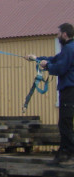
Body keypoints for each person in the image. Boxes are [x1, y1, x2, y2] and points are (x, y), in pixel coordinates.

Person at [28, 23, 74, 164]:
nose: (57, 36)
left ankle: (69, 152)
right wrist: (36, 59)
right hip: (69, 90)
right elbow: (54, 59)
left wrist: (46, 66)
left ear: (64, 34)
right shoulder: (69, 49)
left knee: (64, 123)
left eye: (58, 33)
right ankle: (64, 153)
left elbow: (59, 68)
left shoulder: (68, 49)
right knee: (65, 123)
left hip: (69, 90)